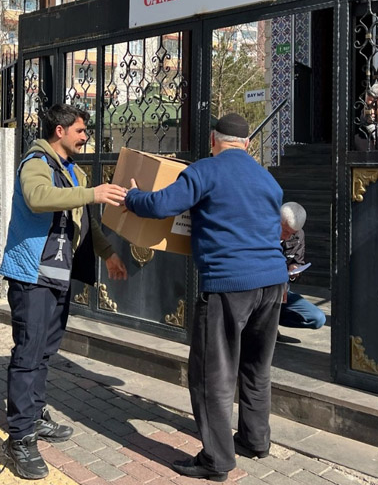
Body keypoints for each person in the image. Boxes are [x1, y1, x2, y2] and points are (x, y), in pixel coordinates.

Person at [124, 113, 288, 482]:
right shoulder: (267, 179)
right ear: (247, 144)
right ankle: (255, 440)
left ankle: (215, 461)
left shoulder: (205, 171)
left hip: (229, 283)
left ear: (213, 140)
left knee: (212, 374)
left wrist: (132, 196)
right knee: (256, 367)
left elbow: (160, 205)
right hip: (273, 284)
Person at [0, 104, 128, 480]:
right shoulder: (36, 162)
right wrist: (91, 193)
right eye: (81, 131)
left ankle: (35, 416)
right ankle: (19, 438)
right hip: (32, 275)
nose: (85, 137)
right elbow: (38, 198)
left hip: (57, 275)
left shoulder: (72, 170)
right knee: (27, 353)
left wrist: (109, 255)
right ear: (60, 131)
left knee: (44, 351)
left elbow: (87, 220)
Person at [278, 202, 326, 342]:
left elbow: (297, 261)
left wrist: (294, 269)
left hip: (283, 292)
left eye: (291, 233)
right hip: (260, 293)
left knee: (317, 318)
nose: (287, 237)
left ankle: (272, 321)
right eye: (285, 231)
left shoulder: (298, 235)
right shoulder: (260, 232)